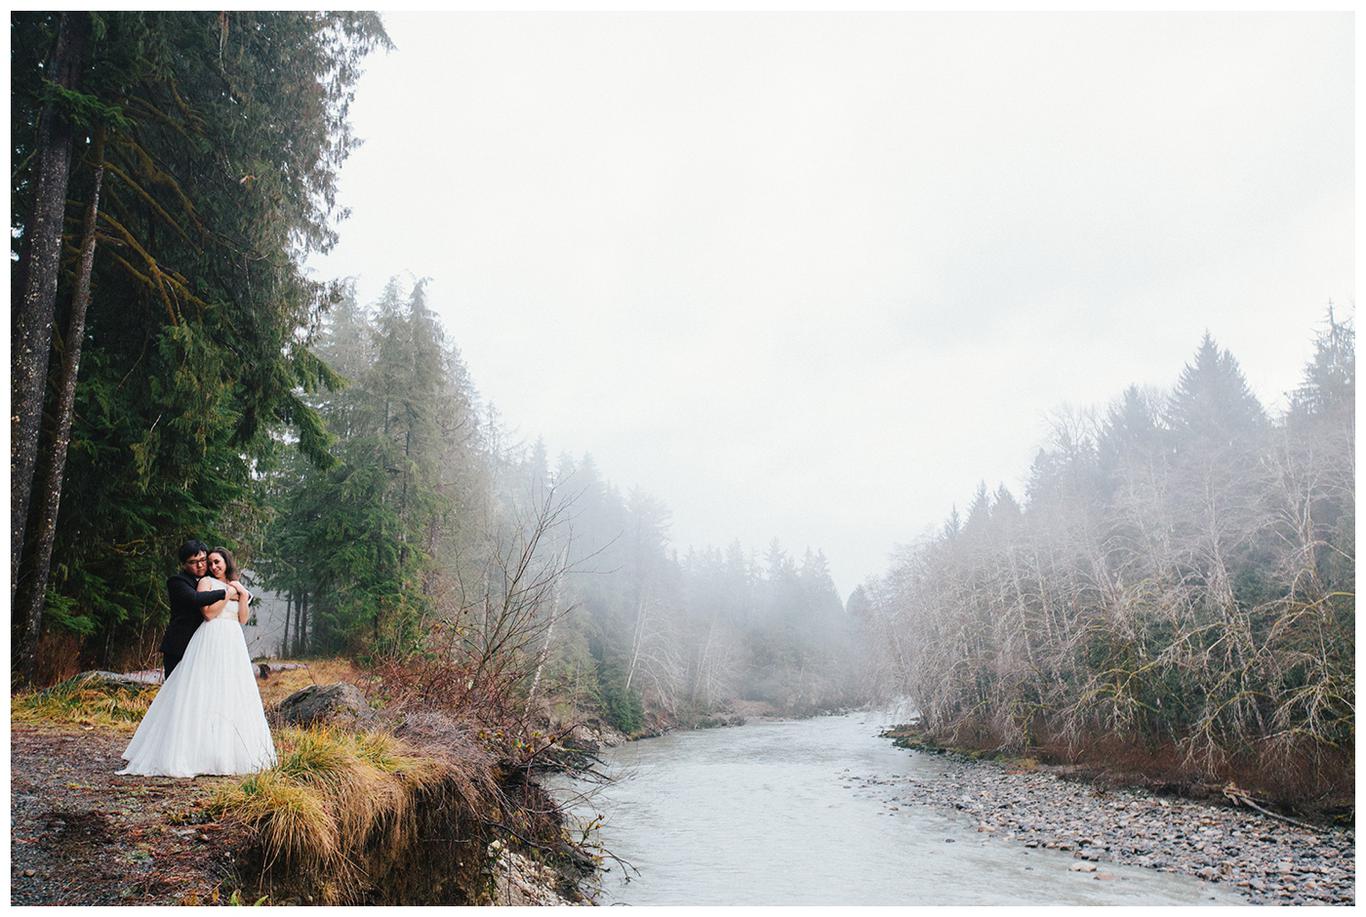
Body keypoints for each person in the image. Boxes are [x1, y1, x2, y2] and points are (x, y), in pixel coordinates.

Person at [118, 545, 276, 777]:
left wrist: (240, 593)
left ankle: (225, 752)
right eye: (207, 562)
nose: (210, 566)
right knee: (192, 695)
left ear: (226, 563)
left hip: (233, 643)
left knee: (229, 695)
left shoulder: (236, 586)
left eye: (215, 562)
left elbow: (243, 618)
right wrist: (227, 593)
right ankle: (180, 749)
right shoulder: (204, 583)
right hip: (209, 639)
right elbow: (209, 614)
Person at [162, 540, 225, 679]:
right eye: (193, 562)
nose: (200, 565)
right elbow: (195, 598)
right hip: (179, 646)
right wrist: (225, 593)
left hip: (204, 646)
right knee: (174, 690)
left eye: (203, 560)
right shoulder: (177, 582)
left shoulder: (213, 580)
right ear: (183, 564)